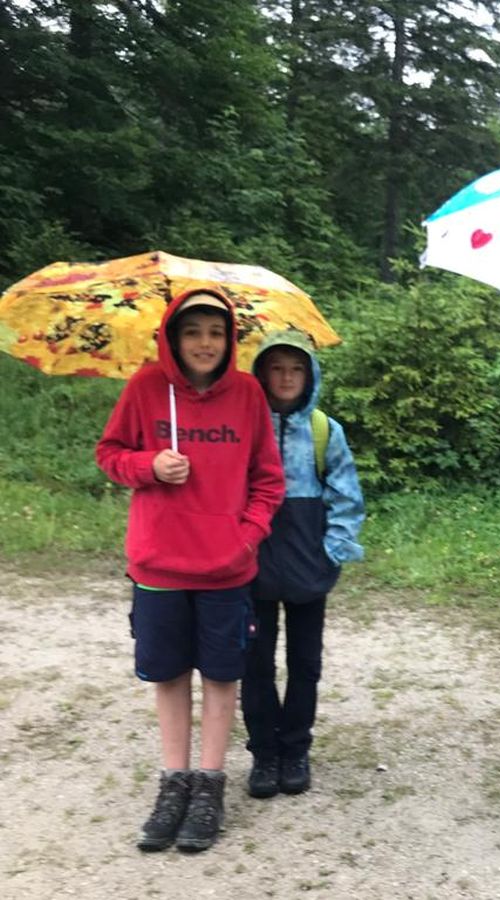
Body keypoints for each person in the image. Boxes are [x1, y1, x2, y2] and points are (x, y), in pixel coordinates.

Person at [96, 289, 285, 852]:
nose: (205, 343)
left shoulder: (248, 394)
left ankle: (209, 785)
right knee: (170, 673)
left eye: (216, 332)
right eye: (193, 332)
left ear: (230, 340)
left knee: (223, 674)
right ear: (172, 337)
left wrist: (244, 537)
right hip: (158, 565)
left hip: (225, 568)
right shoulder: (146, 388)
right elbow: (109, 454)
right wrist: (147, 464)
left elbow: (268, 480)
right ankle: (173, 782)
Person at [241, 331, 365, 799]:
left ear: (310, 375)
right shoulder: (243, 426)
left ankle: (295, 749)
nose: (287, 377)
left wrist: (334, 550)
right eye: (277, 368)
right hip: (251, 562)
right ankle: (264, 754)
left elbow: (346, 496)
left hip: (308, 562)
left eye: (296, 368)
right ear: (261, 374)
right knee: (254, 663)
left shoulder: (323, 430)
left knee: (305, 663)